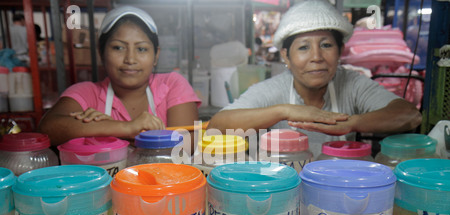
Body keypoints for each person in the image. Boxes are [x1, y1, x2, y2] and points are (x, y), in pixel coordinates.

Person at [207, 0, 422, 158]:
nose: (317, 57)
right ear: (286, 56)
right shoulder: (274, 90)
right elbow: (217, 125)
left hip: (335, 186)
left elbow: (409, 115)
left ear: (340, 51)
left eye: (326, 45)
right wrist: (284, 110)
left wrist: (351, 123)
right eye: (303, 48)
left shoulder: (352, 83)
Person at [39, 6, 201, 146]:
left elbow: (184, 147)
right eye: (118, 48)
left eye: (142, 49)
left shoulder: (172, 84)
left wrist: (104, 129)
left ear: (156, 55)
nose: (130, 59)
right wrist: (126, 128)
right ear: (101, 52)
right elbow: (46, 130)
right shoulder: (87, 93)